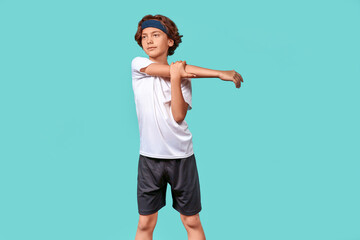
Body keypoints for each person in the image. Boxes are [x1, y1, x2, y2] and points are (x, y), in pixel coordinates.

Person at [131, 14, 243, 240]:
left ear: (170, 41)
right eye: (144, 37)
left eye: (156, 35)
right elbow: (175, 70)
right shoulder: (138, 64)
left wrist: (176, 77)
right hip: (150, 159)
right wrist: (218, 73)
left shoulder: (183, 78)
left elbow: (178, 115)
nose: (149, 40)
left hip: (181, 157)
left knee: (191, 220)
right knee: (145, 223)